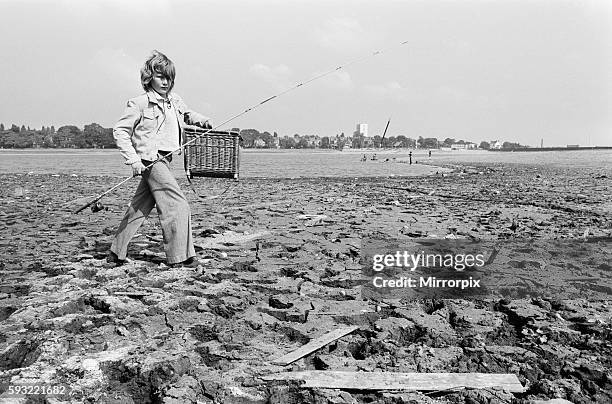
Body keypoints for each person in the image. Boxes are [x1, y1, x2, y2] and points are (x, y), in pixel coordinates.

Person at [108, 50, 212, 268]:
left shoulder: (174, 100)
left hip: (166, 159)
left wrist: (202, 121)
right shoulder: (138, 103)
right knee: (178, 204)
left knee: (139, 206)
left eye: (170, 78)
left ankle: (115, 252)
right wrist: (134, 161)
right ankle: (179, 257)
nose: (166, 82)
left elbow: (187, 114)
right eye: (161, 77)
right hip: (150, 161)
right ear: (149, 77)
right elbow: (120, 131)